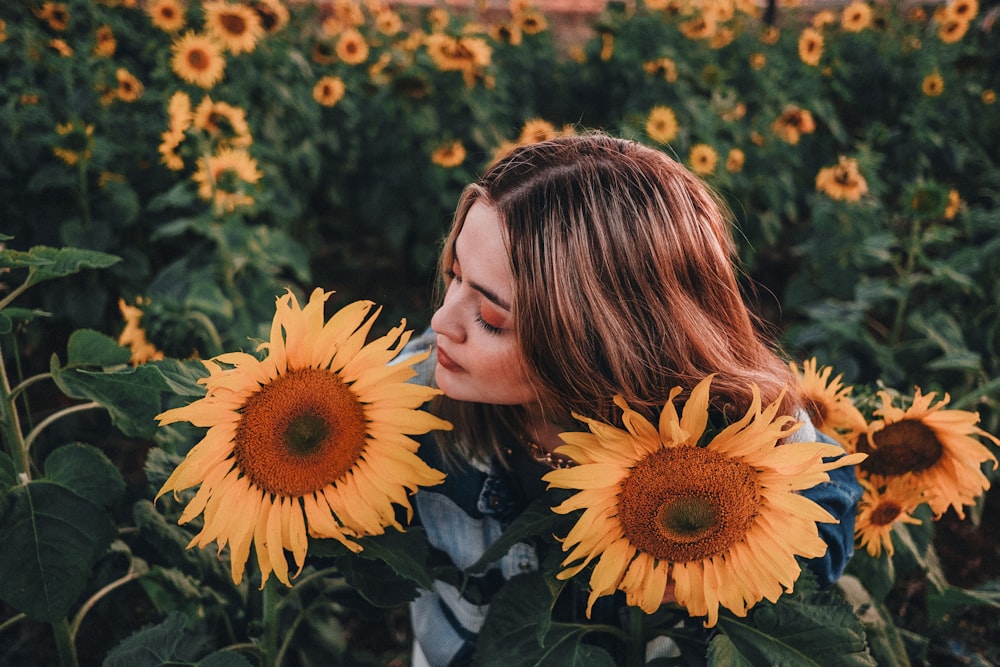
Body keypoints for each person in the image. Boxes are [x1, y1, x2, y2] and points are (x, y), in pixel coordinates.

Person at [401, 132, 862, 666]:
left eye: (492, 318)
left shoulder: (735, 430)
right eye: (454, 276)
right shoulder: (404, 400)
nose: (441, 323)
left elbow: (826, 504)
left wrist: (725, 566)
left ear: (597, 340)